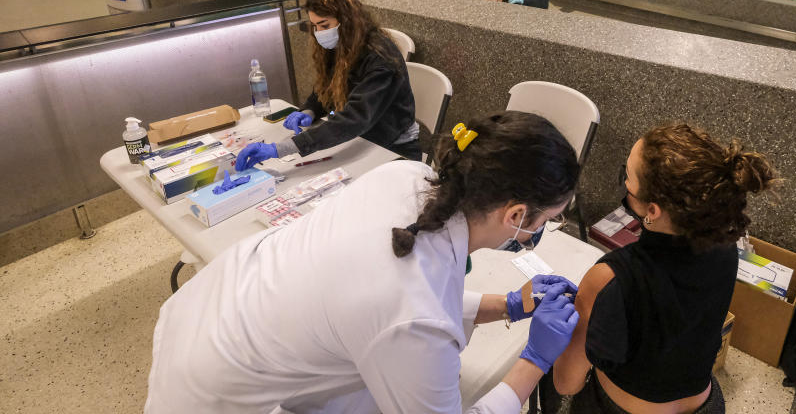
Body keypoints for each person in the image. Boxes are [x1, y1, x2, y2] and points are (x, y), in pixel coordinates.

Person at [145, 111, 582, 413]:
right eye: (548, 219)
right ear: (516, 215)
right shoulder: (412, 316)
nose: (544, 228)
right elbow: (408, 315)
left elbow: (402, 301)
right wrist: (534, 359)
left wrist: (505, 304)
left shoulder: (408, 177)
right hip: (214, 386)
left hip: (220, 308)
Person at [545, 123, 781, 414]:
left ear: (653, 210)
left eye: (626, 178)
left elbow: (567, 384)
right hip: (706, 405)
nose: (624, 184)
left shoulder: (609, 277)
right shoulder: (726, 248)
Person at [236, 0, 421, 168]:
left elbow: (353, 119)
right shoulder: (342, 44)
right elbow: (327, 88)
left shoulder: (380, 59)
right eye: (315, 26)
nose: (319, 33)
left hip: (393, 150)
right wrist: (310, 110)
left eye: (324, 25)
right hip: (360, 140)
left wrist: (280, 149)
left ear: (347, 21)